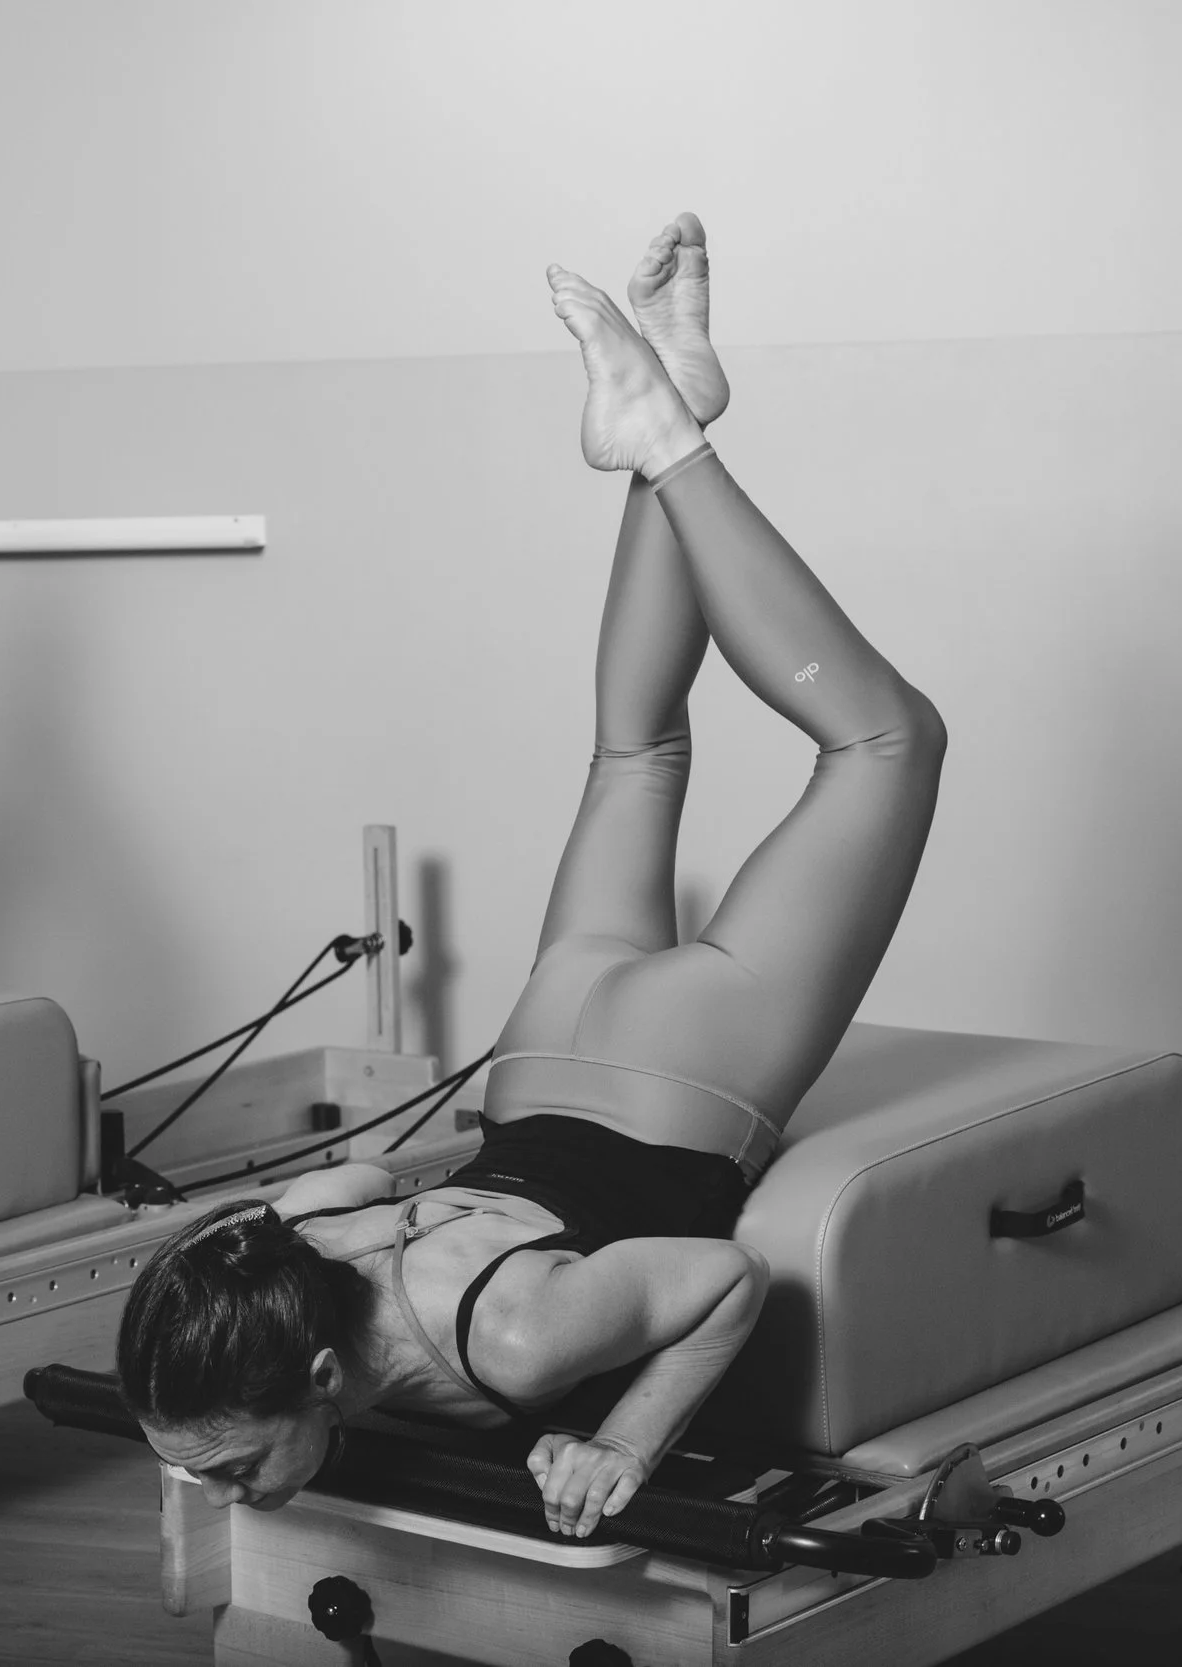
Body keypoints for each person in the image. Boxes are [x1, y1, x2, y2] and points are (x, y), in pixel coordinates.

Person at [117, 215, 947, 1539]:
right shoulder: (285, 1245)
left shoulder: (507, 1334)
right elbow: (361, 1187)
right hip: (543, 1048)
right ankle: (659, 418)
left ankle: (673, 442)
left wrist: (621, 1440)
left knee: (890, 745)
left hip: (680, 1077)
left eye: (226, 1464)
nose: (210, 1485)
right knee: (634, 750)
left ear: (323, 1377)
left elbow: (725, 1278)